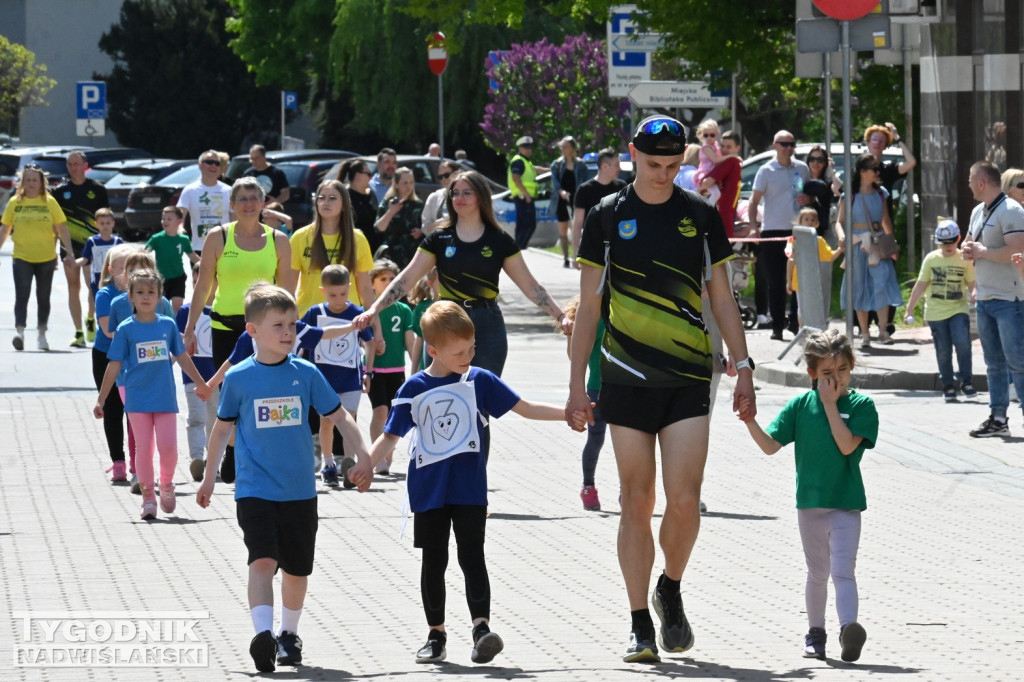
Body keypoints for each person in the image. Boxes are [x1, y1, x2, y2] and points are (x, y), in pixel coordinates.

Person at [566, 115, 756, 663]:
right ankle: (638, 622)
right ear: (632, 155)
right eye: (653, 165)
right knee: (636, 498)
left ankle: (669, 586)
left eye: (674, 166)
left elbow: (722, 298)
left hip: (690, 374)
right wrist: (577, 386)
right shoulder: (606, 216)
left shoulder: (698, 214)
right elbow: (589, 307)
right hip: (624, 374)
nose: (663, 176)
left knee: (687, 500)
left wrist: (743, 367)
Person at [348, 301, 584, 665]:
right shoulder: (414, 388)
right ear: (434, 350)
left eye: (472, 347)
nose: (469, 356)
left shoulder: (480, 380)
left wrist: (567, 413)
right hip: (428, 492)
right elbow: (390, 437)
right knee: (434, 560)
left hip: (470, 489)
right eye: (459, 351)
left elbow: (525, 407)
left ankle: (481, 629)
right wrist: (366, 464)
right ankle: (436, 635)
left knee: (473, 556)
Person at [195, 284, 370, 673]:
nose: (289, 332)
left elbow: (341, 417)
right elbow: (222, 429)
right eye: (279, 325)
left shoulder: (306, 373)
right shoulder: (239, 378)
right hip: (254, 489)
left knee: (296, 568)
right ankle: (263, 636)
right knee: (262, 560)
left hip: (299, 491)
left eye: (292, 324)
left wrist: (365, 456)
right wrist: (209, 477)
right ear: (252, 331)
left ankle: (287, 634)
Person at [737, 329, 875, 663]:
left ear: (851, 367)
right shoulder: (801, 405)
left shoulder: (861, 405)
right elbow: (771, 445)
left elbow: (845, 446)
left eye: (842, 370)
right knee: (817, 574)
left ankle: (848, 630)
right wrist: (750, 421)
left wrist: (830, 406)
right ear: (812, 374)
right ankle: (816, 633)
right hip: (810, 506)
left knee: (844, 571)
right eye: (827, 373)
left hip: (846, 505)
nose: (836, 380)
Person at [355, 170, 570, 377]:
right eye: (455, 193)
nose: (459, 198)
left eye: (467, 192)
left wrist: (560, 316)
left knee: (480, 401)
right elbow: (406, 278)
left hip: (487, 325)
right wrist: (374, 309)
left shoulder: (499, 240)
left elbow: (531, 286)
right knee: (439, 398)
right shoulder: (438, 239)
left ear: (481, 197)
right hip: (446, 321)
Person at [183, 178, 293, 481]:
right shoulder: (218, 237)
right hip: (225, 325)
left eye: (252, 199)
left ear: (263, 202)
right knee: (229, 392)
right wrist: (190, 328)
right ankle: (231, 449)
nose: (247, 204)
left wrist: (290, 332)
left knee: (264, 391)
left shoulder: (278, 240)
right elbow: (203, 285)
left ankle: (260, 454)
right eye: (241, 199)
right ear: (231, 205)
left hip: (265, 330)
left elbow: (286, 293)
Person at [95, 268, 211, 520]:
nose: (146, 297)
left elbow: (181, 356)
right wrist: (102, 398)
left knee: (168, 448)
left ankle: (166, 484)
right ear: (131, 297)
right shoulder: (126, 329)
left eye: (151, 292)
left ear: (160, 296)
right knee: (144, 450)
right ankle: (148, 496)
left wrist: (201, 383)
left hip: (164, 399)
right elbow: (113, 364)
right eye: (140, 292)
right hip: (137, 400)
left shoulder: (167, 325)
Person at [962, 161, 1024, 437]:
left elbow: (1016, 251)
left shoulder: (1011, 210)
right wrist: (967, 250)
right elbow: (970, 241)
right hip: (985, 297)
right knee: (994, 363)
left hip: (1010, 298)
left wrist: (982, 251)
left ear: (982, 182)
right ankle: (998, 418)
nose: (968, 185)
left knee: (1018, 361)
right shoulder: (978, 211)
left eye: (970, 180)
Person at [107, 249, 177, 493]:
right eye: (134, 270)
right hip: (128, 380)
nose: (140, 274)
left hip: (160, 385)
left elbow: (175, 347)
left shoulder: (165, 308)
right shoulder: (118, 304)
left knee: (164, 440)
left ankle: (163, 478)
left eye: (146, 268)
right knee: (138, 430)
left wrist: (164, 368)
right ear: (126, 276)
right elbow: (113, 344)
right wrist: (102, 396)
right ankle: (141, 478)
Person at [299, 264, 373, 487]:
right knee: (327, 423)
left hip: (350, 378)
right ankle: (328, 463)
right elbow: (300, 340)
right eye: (332, 295)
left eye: (343, 294)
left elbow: (368, 342)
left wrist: (368, 371)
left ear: (349, 288)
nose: (338, 299)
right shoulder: (315, 313)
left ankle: (349, 464)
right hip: (324, 379)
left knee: (348, 421)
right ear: (323, 291)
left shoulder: (357, 313)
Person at [0, 164, 76, 351]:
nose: (32, 184)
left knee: (43, 297)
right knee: (22, 294)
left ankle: (42, 334)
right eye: (28, 180)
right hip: (22, 256)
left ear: (42, 183)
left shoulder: (49, 202)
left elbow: (62, 228)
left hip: (46, 257)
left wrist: (70, 252)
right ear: (23, 183)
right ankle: (20, 332)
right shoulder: (15, 203)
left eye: (35, 180)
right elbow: (4, 229)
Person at [903, 219, 976, 402]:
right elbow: (920, 285)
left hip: (958, 309)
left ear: (958, 239)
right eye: (943, 243)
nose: (948, 246)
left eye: (951, 241)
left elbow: (972, 283)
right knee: (943, 350)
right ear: (937, 242)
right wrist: (909, 309)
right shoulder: (931, 259)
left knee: (963, 344)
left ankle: (966, 381)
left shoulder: (964, 259)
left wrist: (975, 293)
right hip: (935, 312)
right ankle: (948, 385)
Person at [748, 130, 811, 340]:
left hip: (797, 230)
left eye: (792, 144)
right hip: (773, 231)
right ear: (774, 145)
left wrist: (808, 200)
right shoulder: (765, 171)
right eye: (784, 144)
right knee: (775, 280)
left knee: (797, 279)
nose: (788, 148)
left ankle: (795, 321)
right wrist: (753, 227)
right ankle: (776, 324)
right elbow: (754, 201)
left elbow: (810, 196)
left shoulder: (802, 168)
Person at [837, 154, 903, 348]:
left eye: (878, 168)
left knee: (881, 282)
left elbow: (886, 221)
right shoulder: (849, 194)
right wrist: (841, 236)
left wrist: (892, 245)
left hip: (877, 244)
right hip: (858, 246)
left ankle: (883, 331)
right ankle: (865, 334)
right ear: (863, 171)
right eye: (874, 169)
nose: (877, 172)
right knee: (859, 287)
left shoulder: (881, 193)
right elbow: (839, 222)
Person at [291, 179, 376, 319]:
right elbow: (288, 287)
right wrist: (290, 321)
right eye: (321, 198)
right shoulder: (300, 237)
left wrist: (375, 325)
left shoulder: (358, 239)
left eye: (332, 198)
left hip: (348, 320)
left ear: (344, 204)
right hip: (309, 319)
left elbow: (366, 288)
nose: (326, 202)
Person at [365, 259, 414, 475]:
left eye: (392, 279)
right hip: (376, 371)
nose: (388, 283)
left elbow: (410, 341)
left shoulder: (403, 310)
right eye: (383, 279)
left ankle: (388, 456)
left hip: (397, 370)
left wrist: (417, 368)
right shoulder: (369, 310)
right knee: (380, 411)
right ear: (373, 283)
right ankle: (377, 458)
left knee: (393, 415)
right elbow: (362, 339)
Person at [55, 150, 109, 346]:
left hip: (93, 246)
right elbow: (56, 223)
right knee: (73, 286)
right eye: (70, 164)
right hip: (68, 247)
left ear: (85, 165)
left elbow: (106, 218)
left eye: (76, 163)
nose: (73, 168)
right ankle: (78, 331)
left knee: (92, 286)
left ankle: (91, 319)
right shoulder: (60, 191)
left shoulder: (98, 189)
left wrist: (107, 241)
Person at [92, 244, 136, 482]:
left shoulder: (142, 292)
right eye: (122, 267)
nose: (127, 271)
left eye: (131, 266)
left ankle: (137, 463)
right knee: (112, 409)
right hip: (106, 356)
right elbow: (108, 330)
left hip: (133, 358)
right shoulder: (106, 294)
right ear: (111, 269)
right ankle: (118, 462)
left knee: (135, 411)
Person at [559, 296, 606, 511]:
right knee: (595, 439)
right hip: (597, 388)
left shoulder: (625, 314)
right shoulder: (593, 318)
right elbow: (575, 356)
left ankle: (629, 489)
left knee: (630, 441)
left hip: (626, 387)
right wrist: (570, 335)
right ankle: (588, 486)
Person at [176, 261, 219, 482]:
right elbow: (177, 345)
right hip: (193, 376)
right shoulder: (185, 311)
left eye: (203, 281)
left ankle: (215, 463)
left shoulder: (224, 311)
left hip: (218, 378)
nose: (198, 286)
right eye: (194, 282)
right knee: (196, 418)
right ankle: (196, 458)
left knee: (216, 420)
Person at [785, 208, 843, 327]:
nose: (810, 222)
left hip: (814, 280)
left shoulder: (819, 241)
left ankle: (814, 329)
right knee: (801, 307)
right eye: (806, 219)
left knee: (814, 306)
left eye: (813, 220)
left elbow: (830, 256)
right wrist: (788, 280)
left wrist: (840, 249)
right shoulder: (793, 241)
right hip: (799, 279)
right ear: (800, 222)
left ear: (817, 223)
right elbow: (791, 261)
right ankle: (802, 330)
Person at [572, 148, 626, 269]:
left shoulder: (622, 187)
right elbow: (577, 223)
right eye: (617, 165)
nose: (620, 169)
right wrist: (576, 252)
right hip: (592, 247)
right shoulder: (584, 190)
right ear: (605, 166)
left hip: (617, 249)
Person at [145, 206, 200, 313]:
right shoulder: (157, 238)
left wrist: (206, 264)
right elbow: (144, 253)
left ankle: (176, 327)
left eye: (169, 219)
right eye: (163, 218)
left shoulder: (184, 239)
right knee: (160, 308)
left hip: (178, 277)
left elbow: (192, 256)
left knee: (177, 306)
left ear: (179, 221)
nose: (165, 221)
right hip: (161, 279)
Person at [177, 150, 233, 254]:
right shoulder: (190, 190)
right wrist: (180, 229)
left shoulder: (229, 191)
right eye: (210, 162)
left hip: (225, 248)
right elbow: (180, 214)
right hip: (199, 248)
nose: (214, 166)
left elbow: (235, 219)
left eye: (217, 163)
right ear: (200, 165)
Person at [75, 208, 124, 315]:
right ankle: (95, 319)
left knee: (115, 300)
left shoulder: (117, 241)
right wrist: (74, 263)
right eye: (102, 223)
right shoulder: (92, 241)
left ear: (113, 224)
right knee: (100, 301)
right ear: (96, 224)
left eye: (108, 223)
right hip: (98, 277)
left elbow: (124, 258)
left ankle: (114, 321)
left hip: (114, 276)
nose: (105, 226)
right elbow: (85, 258)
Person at [374, 166, 425, 269]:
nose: (409, 186)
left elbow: (426, 227)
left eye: (411, 182)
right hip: (392, 257)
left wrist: (420, 231)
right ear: (396, 184)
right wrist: (391, 212)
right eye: (405, 183)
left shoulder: (418, 204)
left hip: (412, 256)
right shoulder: (388, 203)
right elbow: (378, 228)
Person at [549, 135, 588, 267]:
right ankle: (565, 257)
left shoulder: (581, 165)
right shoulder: (557, 164)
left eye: (565, 147)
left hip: (576, 201)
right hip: (562, 201)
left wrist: (579, 195)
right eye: (561, 147)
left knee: (576, 228)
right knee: (563, 230)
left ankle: (576, 256)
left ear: (572, 148)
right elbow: (555, 182)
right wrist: (561, 192)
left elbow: (585, 182)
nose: (563, 149)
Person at [699, 130, 744, 238]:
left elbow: (705, 183)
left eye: (728, 147)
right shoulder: (736, 162)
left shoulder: (730, 162)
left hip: (724, 209)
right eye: (722, 146)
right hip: (729, 208)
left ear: (737, 148)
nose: (724, 150)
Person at [508, 136, 544, 250]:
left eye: (529, 147)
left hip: (523, 197)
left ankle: (518, 248)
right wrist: (526, 194)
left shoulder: (525, 161)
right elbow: (515, 178)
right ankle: (520, 247)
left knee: (523, 224)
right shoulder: (519, 161)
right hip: (523, 197)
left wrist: (551, 170)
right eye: (525, 147)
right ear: (519, 148)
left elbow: (535, 169)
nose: (528, 149)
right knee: (529, 224)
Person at [337, 158, 380, 253]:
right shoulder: (345, 197)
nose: (371, 178)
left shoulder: (371, 195)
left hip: (371, 248)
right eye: (368, 174)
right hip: (353, 249)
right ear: (358, 175)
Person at [409, 268, 440, 372]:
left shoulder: (458, 306)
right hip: (428, 368)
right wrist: (413, 371)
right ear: (430, 282)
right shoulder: (422, 307)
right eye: (441, 279)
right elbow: (419, 340)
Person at [692, 120, 724, 205]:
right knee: (716, 194)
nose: (709, 137)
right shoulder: (706, 147)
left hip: (713, 173)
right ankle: (708, 210)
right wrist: (731, 157)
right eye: (706, 135)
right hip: (706, 173)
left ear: (717, 134)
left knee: (704, 195)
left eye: (712, 135)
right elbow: (715, 160)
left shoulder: (715, 145)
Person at [421, 160, 458, 235]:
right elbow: (425, 228)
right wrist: (442, 222)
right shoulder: (434, 196)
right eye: (440, 177)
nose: (443, 179)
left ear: (456, 174)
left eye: (447, 175)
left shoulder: (466, 195)